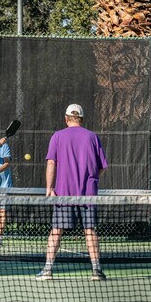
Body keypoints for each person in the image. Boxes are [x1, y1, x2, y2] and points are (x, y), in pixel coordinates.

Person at [36, 104, 108, 282]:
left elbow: (51, 163)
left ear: (66, 118)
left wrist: (49, 188)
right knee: (89, 231)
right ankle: (96, 271)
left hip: (63, 194)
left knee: (56, 230)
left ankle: (47, 270)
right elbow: (102, 168)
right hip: (88, 194)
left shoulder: (57, 136)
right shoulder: (93, 137)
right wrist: (91, 181)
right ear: (81, 119)